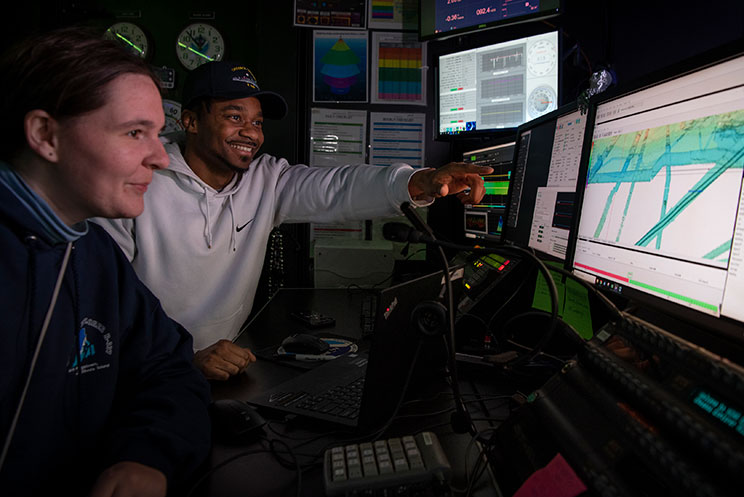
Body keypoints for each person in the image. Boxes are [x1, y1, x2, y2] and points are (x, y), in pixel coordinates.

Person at [93, 60, 492, 381]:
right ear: (191, 121)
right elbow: (103, 305)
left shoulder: (267, 179)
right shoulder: (140, 181)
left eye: (257, 122)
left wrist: (418, 181)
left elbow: (340, 188)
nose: (249, 133)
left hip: (225, 365)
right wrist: (181, 357)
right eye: (234, 117)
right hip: (141, 373)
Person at [0, 28, 211, 496]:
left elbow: (168, 371)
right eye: (135, 132)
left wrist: (147, 456)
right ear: (45, 135)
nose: (159, 157)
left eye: (158, 134)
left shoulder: (95, 255)